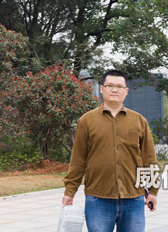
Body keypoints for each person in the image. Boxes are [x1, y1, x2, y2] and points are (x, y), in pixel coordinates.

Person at [62, 69, 159, 232]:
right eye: (110, 85)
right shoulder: (86, 121)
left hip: (133, 198)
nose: (115, 90)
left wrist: (153, 190)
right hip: (98, 199)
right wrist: (70, 191)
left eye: (120, 87)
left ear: (126, 91)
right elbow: (78, 160)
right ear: (102, 88)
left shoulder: (139, 121)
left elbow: (149, 159)